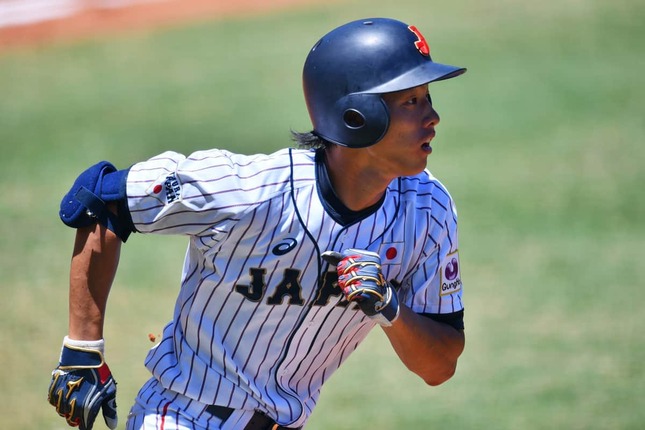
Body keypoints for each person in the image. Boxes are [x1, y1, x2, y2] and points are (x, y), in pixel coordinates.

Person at [47, 17, 467, 430]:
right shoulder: (250, 189)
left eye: (426, 97)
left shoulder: (428, 212)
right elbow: (101, 198)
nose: (433, 117)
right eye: (411, 101)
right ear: (357, 114)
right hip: (182, 418)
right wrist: (82, 350)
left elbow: (440, 365)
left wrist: (392, 310)